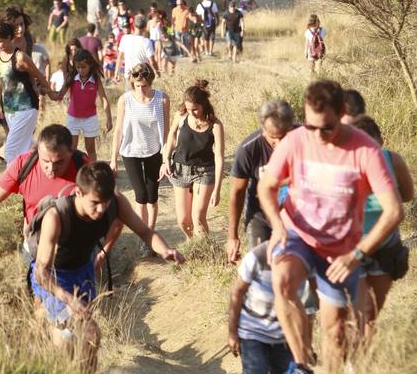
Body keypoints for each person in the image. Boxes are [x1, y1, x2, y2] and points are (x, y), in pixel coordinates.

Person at [257, 80, 403, 374]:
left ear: (342, 113)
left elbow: (394, 211)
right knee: (283, 280)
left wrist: (357, 254)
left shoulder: (366, 150)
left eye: (326, 128)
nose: (317, 135)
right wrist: (277, 226)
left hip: (341, 247)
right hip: (298, 232)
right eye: (310, 126)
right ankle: (301, 366)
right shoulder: (296, 140)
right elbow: (266, 186)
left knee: (335, 330)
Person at [31, 161, 184, 368]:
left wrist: (165, 250)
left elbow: (145, 232)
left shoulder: (116, 202)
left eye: (106, 201)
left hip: (83, 272)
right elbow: (41, 272)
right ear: (78, 193)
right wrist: (68, 299)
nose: (102, 209)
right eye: (95, 202)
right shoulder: (56, 216)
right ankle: (55, 371)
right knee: (76, 333)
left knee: (87, 337)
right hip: (54, 277)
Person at [0, 124, 87, 259]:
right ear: (38, 151)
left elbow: (105, 204)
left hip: (75, 248)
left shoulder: (83, 166)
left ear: (71, 152)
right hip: (35, 247)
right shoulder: (23, 164)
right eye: (45, 161)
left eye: (59, 162)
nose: (51, 168)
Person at [353, 115, 414, 343]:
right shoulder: (341, 167)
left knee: (372, 314)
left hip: (384, 246)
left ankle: (365, 360)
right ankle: (349, 358)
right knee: (356, 313)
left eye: (373, 147)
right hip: (351, 250)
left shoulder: (392, 160)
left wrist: (385, 193)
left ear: (382, 141)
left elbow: (407, 196)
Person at [229, 242, 300, 374]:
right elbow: (237, 293)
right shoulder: (257, 256)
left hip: (284, 336)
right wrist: (232, 333)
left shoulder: (303, 257)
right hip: (253, 333)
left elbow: (308, 305)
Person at [110, 62, 170, 252]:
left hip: (154, 151)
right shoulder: (125, 100)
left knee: (152, 196)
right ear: (132, 83)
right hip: (131, 152)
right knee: (141, 196)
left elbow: (167, 131)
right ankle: (143, 235)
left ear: (150, 82)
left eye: (145, 86)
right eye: (137, 86)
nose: (141, 90)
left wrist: (166, 159)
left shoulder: (162, 99)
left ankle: (150, 236)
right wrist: (113, 159)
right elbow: (118, 130)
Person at [227, 100, 296, 262]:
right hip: (261, 216)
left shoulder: (305, 139)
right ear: (264, 129)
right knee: (261, 264)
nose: (278, 143)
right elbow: (237, 192)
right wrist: (232, 236)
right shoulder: (248, 149)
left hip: (296, 216)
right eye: (273, 137)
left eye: (283, 137)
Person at [161, 80, 225, 239]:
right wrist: (166, 159)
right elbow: (171, 135)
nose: (191, 112)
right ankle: (192, 244)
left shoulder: (215, 125)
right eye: (188, 108)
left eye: (195, 109)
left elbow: (219, 157)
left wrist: (217, 189)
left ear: (204, 105)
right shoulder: (181, 116)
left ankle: (204, 249)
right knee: (183, 221)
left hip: (205, 172)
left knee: (198, 218)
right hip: (180, 170)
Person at [0, 20, 52, 164]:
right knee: (24, 148)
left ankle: (11, 178)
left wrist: (52, 93)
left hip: (26, 108)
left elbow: (38, 75)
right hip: (9, 109)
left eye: (0, 41)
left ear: (9, 38)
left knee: (10, 150)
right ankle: (45, 162)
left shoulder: (20, 57)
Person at [52, 49, 112, 162]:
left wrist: (109, 118)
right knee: (72, 148)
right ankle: (73, 169)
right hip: (73, 118)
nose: (80, 70)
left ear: (90, 65)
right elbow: (59, 95)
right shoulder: (71, 78)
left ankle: (92, 169)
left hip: (90, 118)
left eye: (83, 67)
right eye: (78, 67)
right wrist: (47, 91)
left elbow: (104, 99)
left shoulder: (95, 80)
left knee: (90, 147)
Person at [116, 15, 157, 82]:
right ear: (145, 27)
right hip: (142, 76)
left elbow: (120, 57)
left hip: (129, 75)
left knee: (129, 88)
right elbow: (152, 61)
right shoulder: (147, 41)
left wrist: (116, 73)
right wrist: (157, 72)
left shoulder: (125, 38)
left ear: (134, 25)